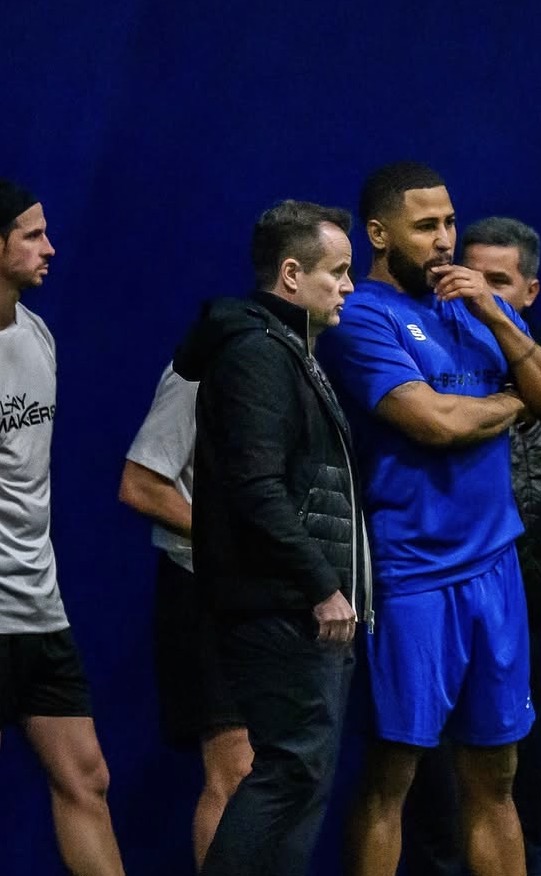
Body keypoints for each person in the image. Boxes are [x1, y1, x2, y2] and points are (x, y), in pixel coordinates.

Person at [317, 162, 541, 876]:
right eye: (425, 226)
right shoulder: (361, 317)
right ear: (379, 234)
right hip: (411, 574)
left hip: (496, 571)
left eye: (449, 223)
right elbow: (432, 422)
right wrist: (514, 401)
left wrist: (496, 315)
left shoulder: (472, 307)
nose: (444, 240)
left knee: (496, 779)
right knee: (392, 777)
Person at [173, 199, 370, 876]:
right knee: (290, 770)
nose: (349, 287)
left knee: (303, 778)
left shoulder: (290, 351)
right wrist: (321, 585)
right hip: (280, 606)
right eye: (337, 272)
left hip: (294, 605)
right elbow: (257, 489)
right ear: (291, 274)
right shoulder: (257, 354)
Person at [401, 217, 541, 876]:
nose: (474, 289)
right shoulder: (426, 358)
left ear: (529, 291)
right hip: (441, 589)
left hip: (531, 599)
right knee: (432, 792)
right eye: (467, 274)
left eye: (497, 281)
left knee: (524, 782)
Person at [0, 179, 125, 875]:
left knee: (86, 778)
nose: (50, 248)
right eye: (32, 235)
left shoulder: (37, 334)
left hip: (38, 610)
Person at [118, 363, 252, 871]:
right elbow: (140, 484)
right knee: (235, 772)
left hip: (268, 598)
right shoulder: (200, 369)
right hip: (203, 589)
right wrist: (231, 542)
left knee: (273, 778)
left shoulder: (297, 366)